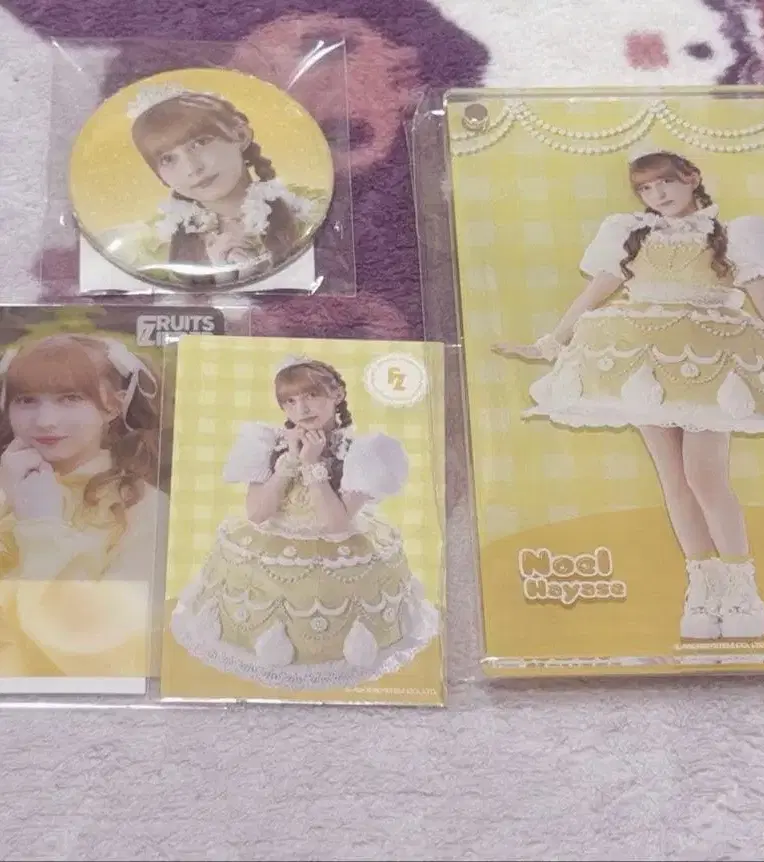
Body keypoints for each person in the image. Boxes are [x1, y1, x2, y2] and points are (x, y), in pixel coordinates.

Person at [494, 146, 764, 642]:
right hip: (645, 357)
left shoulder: (732, 233)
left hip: (709, 359)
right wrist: (551, 342)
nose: (657, 194)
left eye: (665, 181)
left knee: (705, 476)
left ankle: (742, 587)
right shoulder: (630, 233)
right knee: (674, 480)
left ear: (691, 177)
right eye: (645, 188)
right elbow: (595, 292)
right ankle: (703, 586)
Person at [170, 355, 439, 690]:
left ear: (337, 394)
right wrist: (289, 461)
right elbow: (257, 514)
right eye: (290, 401)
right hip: (274, 536)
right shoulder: (270, 444)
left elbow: (336, 525)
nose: (302, 408)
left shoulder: (359, 453)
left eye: (312, 395)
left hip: (335, 544)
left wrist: (312, 465)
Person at [0, 333, 165, 679]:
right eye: (26, 400)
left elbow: (107, 643)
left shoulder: (144, 508)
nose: (45, 420)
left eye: (70, 399)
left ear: (113, 406)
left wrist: (42, 526)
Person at [104, 85, 326, 288]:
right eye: (168, 159)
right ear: (160, 176)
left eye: (200, 142)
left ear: (241, 135)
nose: (192, 168)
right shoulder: (148, 244)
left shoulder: (309, 209)